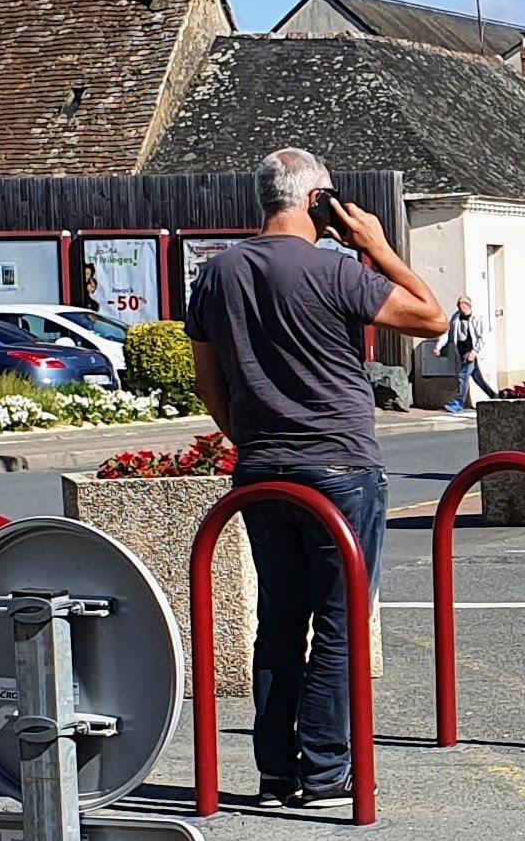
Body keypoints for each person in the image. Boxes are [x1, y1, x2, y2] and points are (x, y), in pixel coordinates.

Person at [182, 151, 443, 807]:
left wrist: (250, 439)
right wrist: (378, 245)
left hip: (260, 471)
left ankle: (275, 773)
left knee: (278, 619)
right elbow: (431, 316)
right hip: (341, 468)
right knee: (339, 621)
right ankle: (326, 772)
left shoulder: (216, 275)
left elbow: (206, 383)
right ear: (319, 199)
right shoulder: (337, 271)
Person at [439, 294, 480, 413]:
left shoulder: (476, 318)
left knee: (462, 376)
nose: (460, 306)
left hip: (470, 353)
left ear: (468, 305)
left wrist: (474, 352)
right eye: (459, 304)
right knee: (478, 379)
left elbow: (482, 337)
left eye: (462, 304)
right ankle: (494, 396)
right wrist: (439, 346)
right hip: (461, 353)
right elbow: (448, 333)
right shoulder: (456, 317)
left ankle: (459, 404)